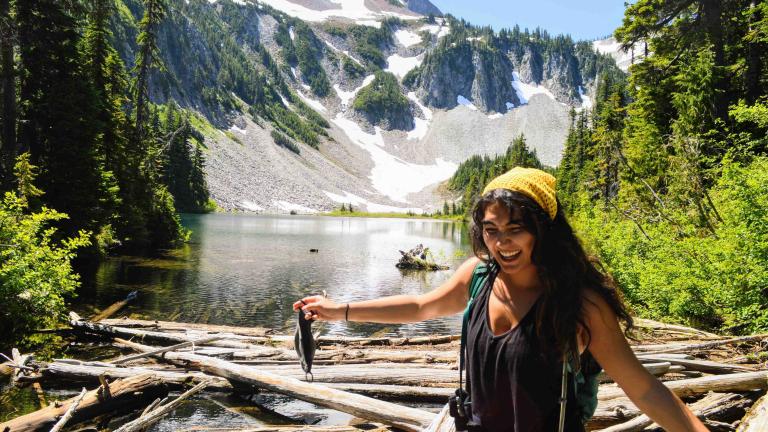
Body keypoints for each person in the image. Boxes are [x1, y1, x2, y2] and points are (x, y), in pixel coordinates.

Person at [293, 167, 707, 432]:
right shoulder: (477, 276)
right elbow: (421, 307)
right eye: (491, 230)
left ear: (543, 229)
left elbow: (643, 388)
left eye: (515, 229)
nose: (502, 243)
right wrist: (339, 310)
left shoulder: (579, 303)